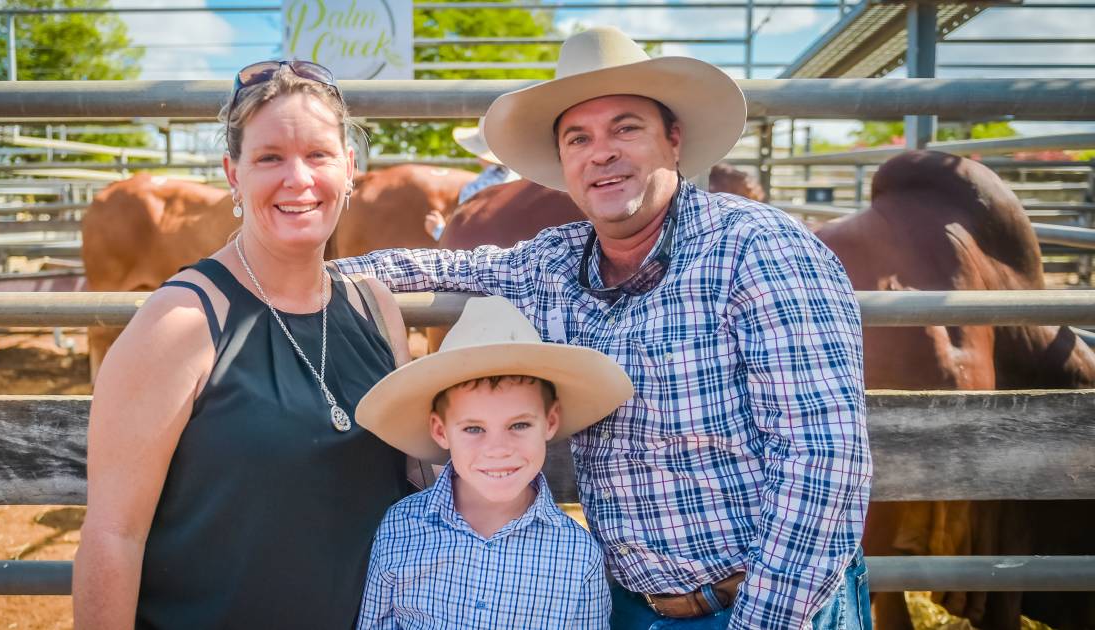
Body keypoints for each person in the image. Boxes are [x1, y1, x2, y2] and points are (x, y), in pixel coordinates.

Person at [335, 26, 873, 630]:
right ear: (564, 164)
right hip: (627, 606)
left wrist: (763, 622)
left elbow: (824, 459)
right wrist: (282, 278)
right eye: (578, 137)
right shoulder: (557, 261)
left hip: (764, 601)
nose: (602, 152)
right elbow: (434, 265)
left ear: (674, 140)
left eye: (626, 128)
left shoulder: (760, 251)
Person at [73, 59, 412, 629]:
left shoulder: (376, 310)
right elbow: (113, 536)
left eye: (319, 155)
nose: (298, 179)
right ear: (233, 174)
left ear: (350, 169)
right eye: (269, 158)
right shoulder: (180, 321)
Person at [354, 296, 631, 629]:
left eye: (519, 425)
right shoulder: (400, 529)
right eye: (474, 428)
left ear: (551, 422)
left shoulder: (578, 554)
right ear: (441, 431)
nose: (497, 449)